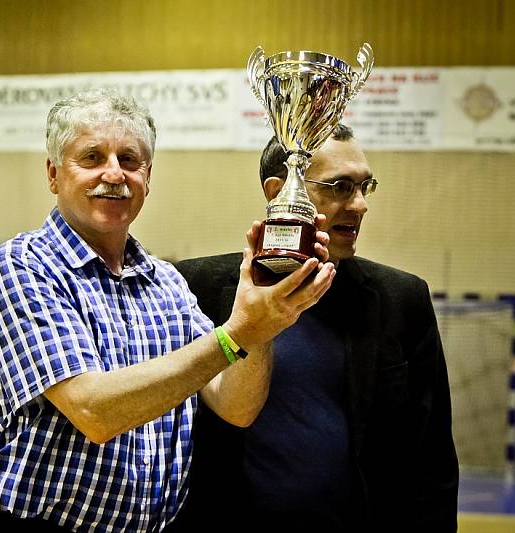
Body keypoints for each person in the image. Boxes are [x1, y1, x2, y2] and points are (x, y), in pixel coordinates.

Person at [0, 88, 336, 532]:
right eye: (91, 158)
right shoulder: (21, 266)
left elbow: (235, 406)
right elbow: (94, 412)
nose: (113, 174)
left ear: (148, 177)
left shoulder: (166, 282)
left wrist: (260, 323)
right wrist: (236, 334)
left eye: (129, 159)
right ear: (52, 173)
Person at [174, 125, 459, 532]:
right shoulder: (194, 288)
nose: (359, 205)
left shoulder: (403, 300)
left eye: (365, 187)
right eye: (341, 187)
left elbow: (432, 463)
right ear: (278, 192)